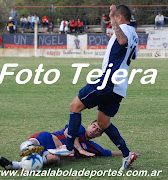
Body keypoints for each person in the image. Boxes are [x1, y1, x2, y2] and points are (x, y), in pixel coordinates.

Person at [49, 5, 138, 171]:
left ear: (119, 17)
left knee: (75, 106)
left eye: (115, 18)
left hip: (108, 81)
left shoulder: (124, 29)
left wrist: (112, 19)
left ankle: (68, 147)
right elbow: (132, 54)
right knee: (103, 123)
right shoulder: (134, 33)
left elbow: (122, 40)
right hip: (120, 87)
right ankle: (126, 154)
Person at [0, 120, 122, 170]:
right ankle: (27, 148)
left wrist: (127, 153)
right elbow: (69, 132)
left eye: (98, 131)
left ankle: (14, 165)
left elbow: (108, 153)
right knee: (38, 140)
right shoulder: (79, 127)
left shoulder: (91, 147)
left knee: (55, 158)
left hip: (54, 152)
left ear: (99, 135)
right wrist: (79, 148)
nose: (94, 130)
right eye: (94, 126)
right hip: (50, 139)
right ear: (90, 125)